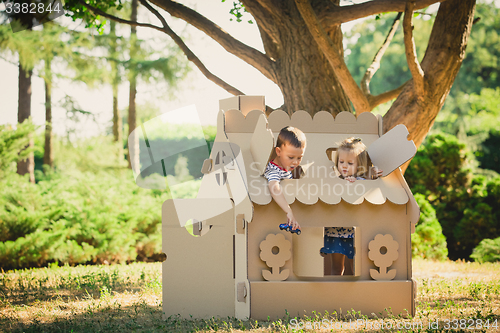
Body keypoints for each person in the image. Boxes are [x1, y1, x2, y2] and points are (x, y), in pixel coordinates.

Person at [321, 137, 382, 275]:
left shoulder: (361, 180)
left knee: (355, 267)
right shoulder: (335, 179)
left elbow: (368, 187)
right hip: (335, 230)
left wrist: (370, 175)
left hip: (354, 231)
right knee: (336, 267)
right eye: (341, 161)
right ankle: (335, 291)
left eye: (349, 163)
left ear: (360, 165)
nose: (344, 166)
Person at [263, 126, 306, 232]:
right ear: (278, 151)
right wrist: (288, 211)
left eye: (299, 158)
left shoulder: (286, 168)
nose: (295, 162)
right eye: (291, 157)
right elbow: (274, 188)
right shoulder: (273, 171)